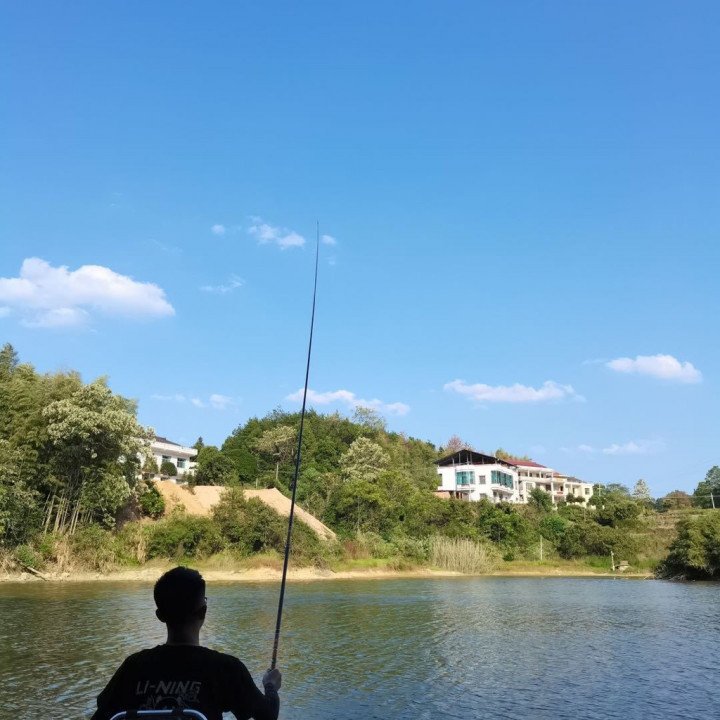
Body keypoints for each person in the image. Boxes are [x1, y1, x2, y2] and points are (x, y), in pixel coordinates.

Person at [91, 567, 281, 720]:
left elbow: (102, 714)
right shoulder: (225, 668)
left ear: (160, 616)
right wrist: (270, 686)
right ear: (203, 612)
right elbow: (267, 715)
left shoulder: (132, 667)